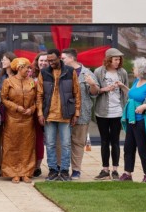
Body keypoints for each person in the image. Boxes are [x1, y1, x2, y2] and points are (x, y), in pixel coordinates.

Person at [36, 48, 81, 182]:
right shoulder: (43, 73)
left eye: (53, 60)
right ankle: (53, 170)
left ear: (59, 58)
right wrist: (40, 113)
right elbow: (39, 95)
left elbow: (76, 93)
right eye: (48, 61)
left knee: (66, 144)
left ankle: (65, 171)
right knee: (50, 144)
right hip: (48, 114)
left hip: (66, 114)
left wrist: (77, 113)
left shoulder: (70, 71)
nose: (50, 63)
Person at [117, 57, 146, 183]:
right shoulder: (137, 81)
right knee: (128, 147)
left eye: (135, 68)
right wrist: (123, 87)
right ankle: (127, 173)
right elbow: (132, 94)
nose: (133, 70)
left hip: (142, 121)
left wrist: (144, 106)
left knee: (143, 148)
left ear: (142, 70)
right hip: (132, 119)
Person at [61, 48, 100, 180]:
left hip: (82, 114)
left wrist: (92, 84)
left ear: (71, 58)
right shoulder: (62, 72)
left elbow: (94, 93)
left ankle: (76, 170)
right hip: (64, 114)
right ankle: (62, 168)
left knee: (78, 143)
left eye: (63, 58)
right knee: (63, 142)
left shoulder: (87, 73)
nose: (62, 60)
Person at [93, 48, 129, 181]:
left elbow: (126, 92)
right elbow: (94, 91)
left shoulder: (122, 72)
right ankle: (104, 169)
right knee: (104, 141)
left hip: (118, 112)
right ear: (109, 59)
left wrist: (121, 86)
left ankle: (115, 170)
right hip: (102, 112)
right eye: (115, 59)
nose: (118, 62)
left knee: (115, 141)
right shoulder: (98, 71)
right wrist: (105, 89)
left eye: (119, 59)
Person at [1, 58, 37, 183]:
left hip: (28, 119)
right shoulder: (8, 82)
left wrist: (32, 109)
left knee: (27, 146)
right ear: (20, 68)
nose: (29, 70)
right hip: (13, 119)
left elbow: (37, 100)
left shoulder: (32, 82)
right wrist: (16, 107)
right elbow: (4, 99)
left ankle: (26, 172)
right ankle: (14, 172)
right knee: (12, 145)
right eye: (27, 67)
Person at [0, 51, 16, 177]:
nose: (3, 61)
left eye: (5, 59)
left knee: (10, 139)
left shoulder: (17, 75)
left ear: (12, 61)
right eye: (2, 59)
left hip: (13, 112)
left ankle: (10, 164)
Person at [31, 52, 48, 177]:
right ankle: (29, 165)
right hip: (31, 112)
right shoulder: (31, 75)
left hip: (46, 112)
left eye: (45, 61)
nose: (43, 63)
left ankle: (37, 166)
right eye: (41, 60)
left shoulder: (52, 75)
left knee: (40, 141)